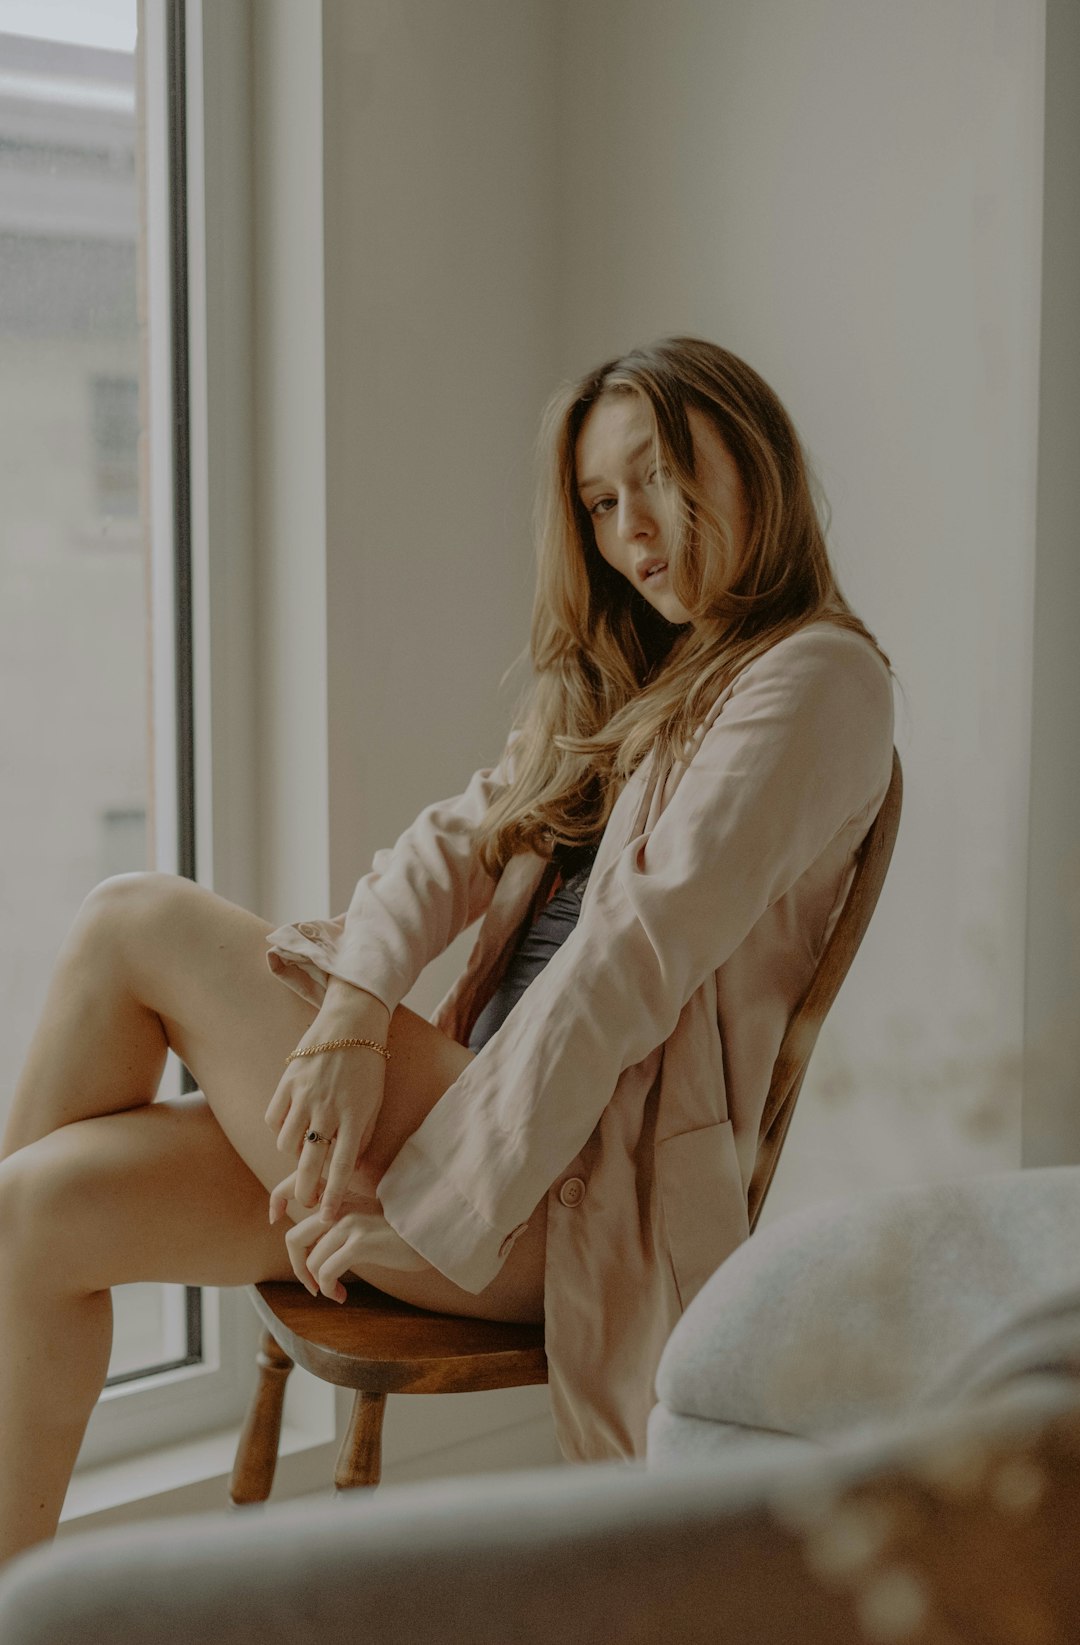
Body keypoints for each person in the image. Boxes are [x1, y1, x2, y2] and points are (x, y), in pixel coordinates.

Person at [0, 336, 894, 1562]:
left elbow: (630, 958)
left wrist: (435, 1211)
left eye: (661, 475)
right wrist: (357, 1009)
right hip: (458, 1126)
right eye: (600, 502)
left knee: (130, 918)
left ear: (755, 459)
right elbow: (446, 843)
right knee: (35, 1211)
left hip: (558, 1198)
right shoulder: (641, 678)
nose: (635, 528)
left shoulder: (817, 677)